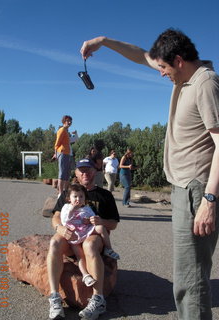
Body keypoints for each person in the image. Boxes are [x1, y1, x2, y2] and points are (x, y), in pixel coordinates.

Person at [80, 29, 219, 320]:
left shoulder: (205, 84)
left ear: (179, 60)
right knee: (185, 278)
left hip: (197, 189)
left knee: (190, 282)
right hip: (184, 188)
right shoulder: (185, 76)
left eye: (164, 68)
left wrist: (209, 199)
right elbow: (141, 55)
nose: (160, 73)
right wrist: (104, 41)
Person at [47, 158, 120, 319]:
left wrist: (102, 222)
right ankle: (54, 297)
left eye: (89, 170)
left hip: (92, 236)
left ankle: (98, 299)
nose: (85, 173)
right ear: (76, 173)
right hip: (71, 238)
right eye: (82, 170)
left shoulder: (105, 195)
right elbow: (56, 217)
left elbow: (113, 224)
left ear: (95, 172)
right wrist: (60, 228)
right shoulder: (68, 193)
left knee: (89, 245)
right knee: (55, 242)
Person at [61, 184, 119, 286]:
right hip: (75, 234)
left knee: (100, 227)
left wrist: (91, 220)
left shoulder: (86, 208)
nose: (78, 199)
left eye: (81, 196)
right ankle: (85, 275)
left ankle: (108, 249)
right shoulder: (66, 207)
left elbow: (93, 217)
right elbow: (64, 220)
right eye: (75, 196)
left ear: (85, 198)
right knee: (80, 256)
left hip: (86, 230)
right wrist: (72, 210)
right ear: (69, 198)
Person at [52, 115, 73, 197]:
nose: (70, 122)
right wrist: (56, 154)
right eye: (68, 121)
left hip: (67, 154)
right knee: (62, 173)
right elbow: (56, 144)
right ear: (64, 121)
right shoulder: (62, 130)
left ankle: (65, 192)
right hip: (62, 153)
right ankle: (60, 193)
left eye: (70, 121)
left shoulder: (66, 131)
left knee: (67, 174)